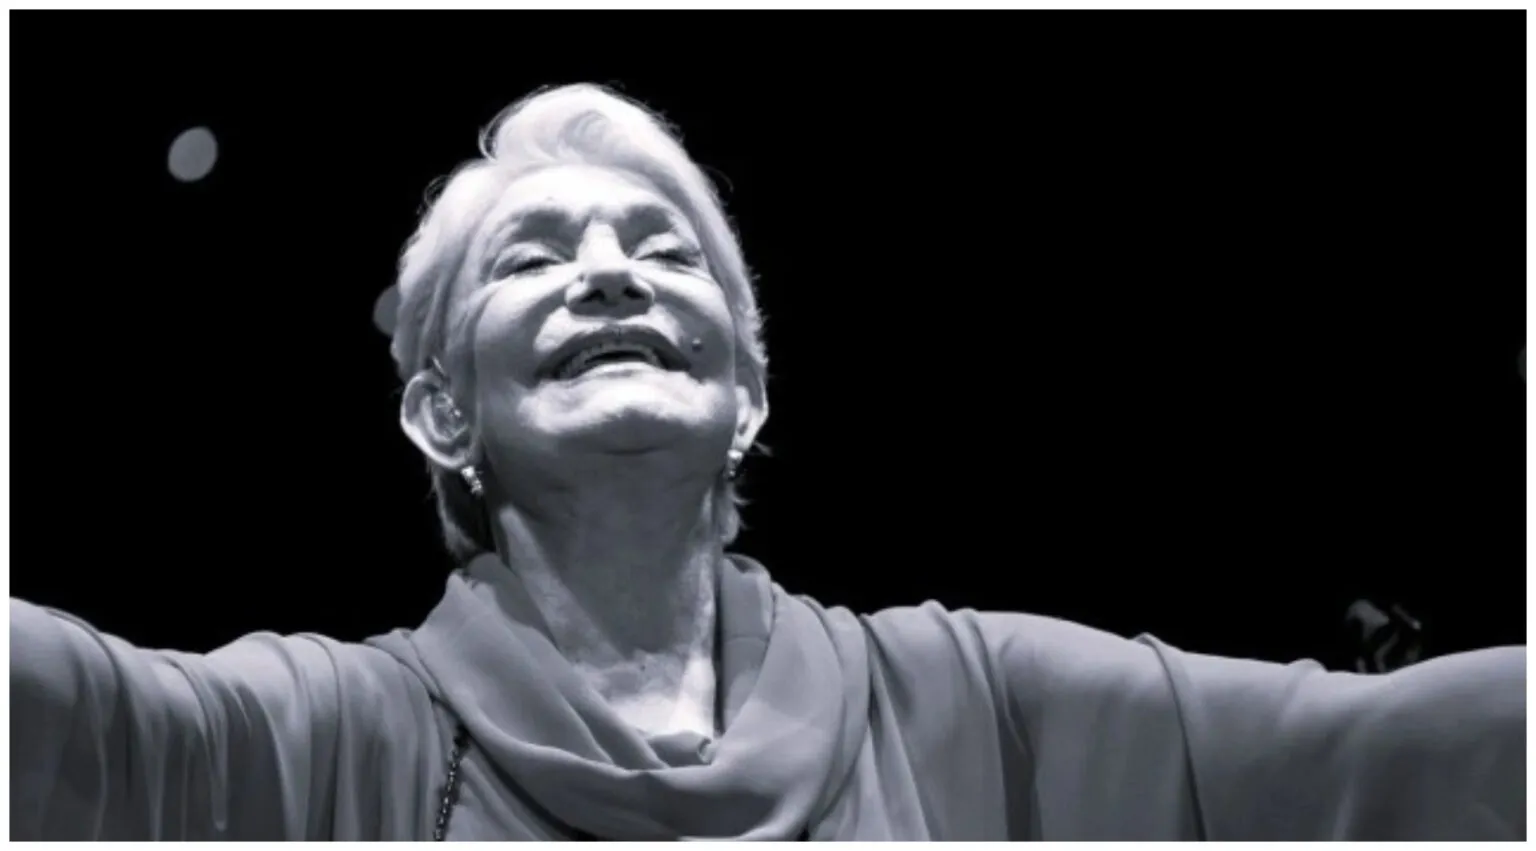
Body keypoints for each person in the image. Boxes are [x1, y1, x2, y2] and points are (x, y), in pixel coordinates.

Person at [10, 83, 1525, 842]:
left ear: (744, 397)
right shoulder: (337, 736)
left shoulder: (966, 700)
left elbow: (1396, 753)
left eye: (667, 252)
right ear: (443, 416)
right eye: (532, 260)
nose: (612, 272)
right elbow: (74, 717)